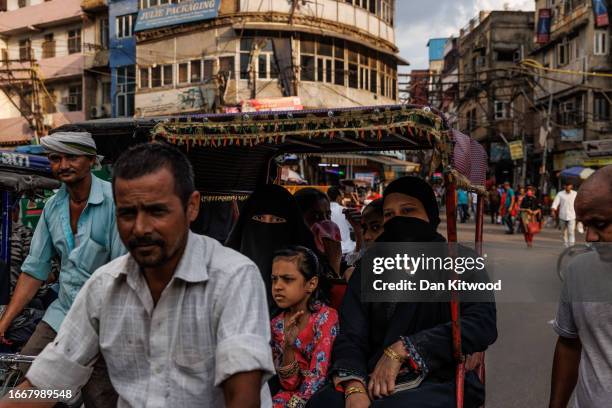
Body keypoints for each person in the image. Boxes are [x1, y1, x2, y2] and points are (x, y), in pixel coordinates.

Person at [0, 142, 276, 408]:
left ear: (192, 207)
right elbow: (47, 383)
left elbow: (243, 395)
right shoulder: (103, 286)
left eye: (157, 211)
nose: (141, 227)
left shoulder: (234, 277)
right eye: (128, 214)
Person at [308, 176, 497, 408]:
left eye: (408, 211)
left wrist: (405, 348)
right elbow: (351, 334)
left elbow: (481, 323)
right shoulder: (370, 267)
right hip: (372, 376)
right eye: (389, 215)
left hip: (439, 378)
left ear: (430, 215)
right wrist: (354, 386)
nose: (398, 220)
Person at [0, 129, 125, 406]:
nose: (63, 165)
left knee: (99, 395)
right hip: (62, 314)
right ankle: (64, 397)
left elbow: (122, 274)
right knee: (26, 373)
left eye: (71, 157)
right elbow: (34, 270)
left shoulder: (115, 202)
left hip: (107, 319)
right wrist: (4, 322)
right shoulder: (52, 208)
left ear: (92, 160)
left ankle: (69, 395)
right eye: (56, 158)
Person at [549, 165, 612, 408]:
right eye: (586, 226)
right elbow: (568, 343)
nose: (590, 238)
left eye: (600, 224)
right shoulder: (577, 271)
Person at [225, 184, 317, 309]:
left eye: (277, 220)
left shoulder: (307, 282)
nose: (266, 227)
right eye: (259, 218)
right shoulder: (224, 272)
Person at [269, 246, 339, 408]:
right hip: (286, 394)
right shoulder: (277, 324)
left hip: (319, 394)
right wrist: (288, 346)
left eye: (287, 279)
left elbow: (318, 376)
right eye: (274, 279)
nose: (277, 286)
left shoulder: (325, 317)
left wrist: (294, 404)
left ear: (311, 284)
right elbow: (289, 384)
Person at [295, 188, 342, 277]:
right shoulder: (293, 258)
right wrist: (334, 264)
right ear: (298, 218)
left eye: (328, 215)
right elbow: (327, 288)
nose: (325, 222)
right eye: (316, 216)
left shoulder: (323, 252)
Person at [327, 186, 356, 256]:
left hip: (331, 251)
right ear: (338, 197)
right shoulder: (345, 210)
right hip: (347, 249)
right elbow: (353, 227)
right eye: (341, 196)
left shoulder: (324, 211)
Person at [551, 182, 578, 247]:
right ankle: (566, 246)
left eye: (569, 185)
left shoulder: (575, 194)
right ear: (564, 186)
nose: (567, 187)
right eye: (566, 185)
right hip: (562, 215)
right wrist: (553, 211)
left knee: (571, 232)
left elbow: (579, 203)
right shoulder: (560, 194)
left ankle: (571, 247)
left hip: (572, 215)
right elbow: (555, 203)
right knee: (563, 232)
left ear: (571, 186)